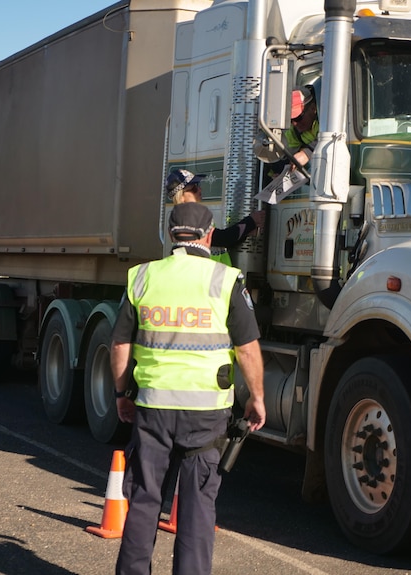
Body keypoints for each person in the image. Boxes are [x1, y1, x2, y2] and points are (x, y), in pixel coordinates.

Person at [110, 202, 266, 575]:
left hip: (153, 408)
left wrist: (121, 394)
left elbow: (120, 347)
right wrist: (257, 398)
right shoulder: (225, 280)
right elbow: (247, 349)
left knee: (144, 501)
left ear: (169, 234)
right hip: (207, 416)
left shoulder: (142, 277)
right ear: (209, 236)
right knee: (197, 509)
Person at [165, 169, 265, 264]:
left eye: (198, 185)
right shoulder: (186, 218)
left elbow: (220, 243)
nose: (199, 189)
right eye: (194, 188)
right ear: (181, 196)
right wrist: (251, 221)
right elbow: (223, 238)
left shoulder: (193, 215)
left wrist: (246, 233)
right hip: (205, 276)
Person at [254, 85, 319, 181]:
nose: (295, 123)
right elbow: (278, 154)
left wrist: (306, 153)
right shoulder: (292, 132)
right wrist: (277, 173)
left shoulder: (327, 119)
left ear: (313, 108)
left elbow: (331, 136)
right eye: (290, 120)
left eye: (298, 118)